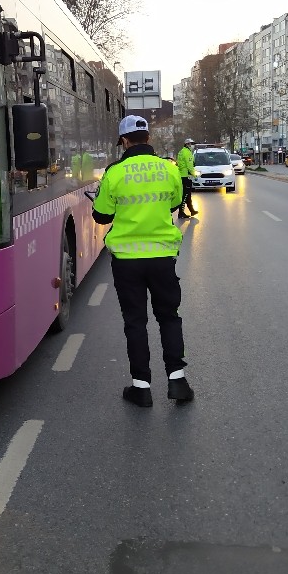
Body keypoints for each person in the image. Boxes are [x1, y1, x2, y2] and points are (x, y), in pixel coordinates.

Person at [92, 115, 194, 407]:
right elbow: (175, 203)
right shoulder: (169, 168)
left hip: (127, 261)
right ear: (148, 138)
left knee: (135, 322)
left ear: (124, 141)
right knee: (169, 317)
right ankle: (178, 382)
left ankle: (141, 388)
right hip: (162, 257)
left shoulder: (115, 173)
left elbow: (102, 216)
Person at [175, 138, 197, 218]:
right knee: (185, 195)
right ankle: (181, 213)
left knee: (187, 194)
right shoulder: (187, 153)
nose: (193, 145)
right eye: (191, 144)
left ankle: (192, 210)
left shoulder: (181, 151)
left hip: (181, 176)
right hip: (186, 176)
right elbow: (190, 166)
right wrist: (195, 175)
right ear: (187, 144)